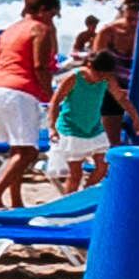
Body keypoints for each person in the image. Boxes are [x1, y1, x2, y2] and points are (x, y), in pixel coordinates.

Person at [0, 0, 62, 208]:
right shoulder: (39, 30)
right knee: (29, 152)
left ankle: (15, 199)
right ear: (43, 10)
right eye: (52, 14)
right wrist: (51, 97)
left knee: (17, 148)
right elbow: (40, 66)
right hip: (18, 91)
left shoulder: (11, 29)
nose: (52, 20)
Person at [46, 18, 121, 198]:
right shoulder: (75, 77)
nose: (101, 77)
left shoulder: (106, 79)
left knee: (103, 166)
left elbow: (121, 98)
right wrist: (51, 128)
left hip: (93, 128)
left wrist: (135, 117)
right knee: (75, 174)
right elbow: (55, 101)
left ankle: (83, 196)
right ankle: (67, 206)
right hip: (72, 129)